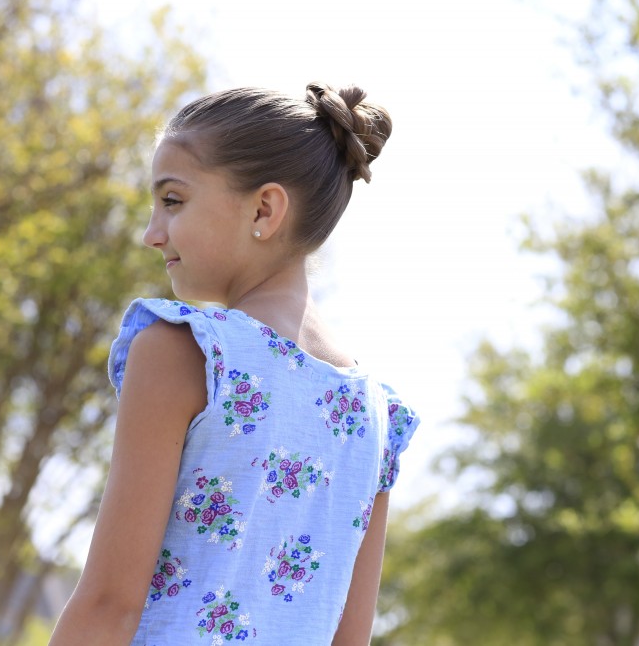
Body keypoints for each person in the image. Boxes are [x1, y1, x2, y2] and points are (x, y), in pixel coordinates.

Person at [49, 82, 419, 645]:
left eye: (172, 200)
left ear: (264, 209)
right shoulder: (378, 414)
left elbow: (108, 605)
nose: (152, 233)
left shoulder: (184, 351)